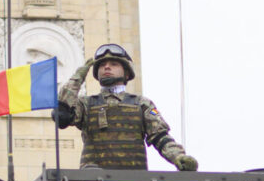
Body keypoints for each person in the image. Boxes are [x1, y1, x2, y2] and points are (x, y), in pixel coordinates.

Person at [54, 44, 198, 171]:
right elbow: (62, 115)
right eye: (102, 65)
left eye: (114, 64)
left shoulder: (141, 104)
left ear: (127, 72)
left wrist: (178, 157)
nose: (107, 67)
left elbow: (160, 137)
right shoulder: (86, 104)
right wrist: (76, 79)